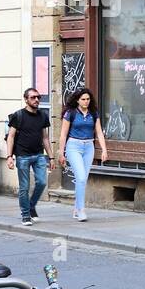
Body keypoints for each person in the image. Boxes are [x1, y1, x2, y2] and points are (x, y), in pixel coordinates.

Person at [58, 86, 108, 222]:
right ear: (78, 100)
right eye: (83, 99)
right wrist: (61, 153)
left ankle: (76, 208)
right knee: (80, 177)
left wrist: (104, 150)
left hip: (89, 146)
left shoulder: (94, 113)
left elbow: (99, 132)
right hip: (74, 146)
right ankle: (81, 209)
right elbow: (63, 134)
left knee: (83, 179)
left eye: (88, 99)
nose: (86, 102)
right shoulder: (70, 113)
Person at [4, 88, 53, 226]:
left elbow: (45, 137)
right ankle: (25, 214)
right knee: (24, 187)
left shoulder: (43, 116)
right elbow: (11, 137)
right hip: (23, 156)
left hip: (38, 155)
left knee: (42, 182)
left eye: (38, 97)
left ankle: (31, 206)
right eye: (33, 97)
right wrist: (9, 157)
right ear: (26, 99)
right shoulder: (18, 116)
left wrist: (51, 157)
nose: (37, 100)